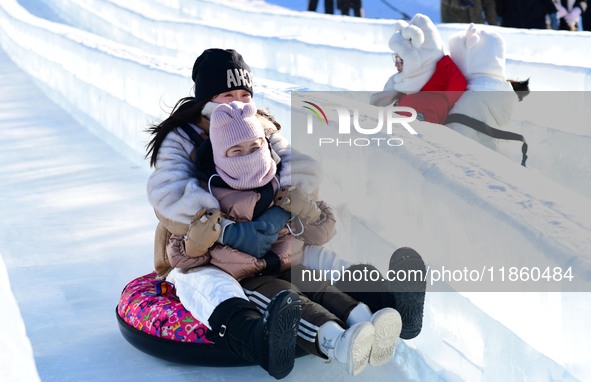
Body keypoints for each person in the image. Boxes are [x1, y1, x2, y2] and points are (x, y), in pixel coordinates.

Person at [146, 48, 421, 377]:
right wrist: (230, 228)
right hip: (205, 246)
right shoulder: (184, 135)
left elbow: (299, 166)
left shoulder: (259, 124)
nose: (237, 101)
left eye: (244, 94)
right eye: (226, 94)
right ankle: (255, 332)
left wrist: (278, 211)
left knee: (319, 260)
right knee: (210, 282)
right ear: (207, 97)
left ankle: (388, 302)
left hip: (275, 236)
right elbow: (169, 192)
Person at [370, 13, 467, 125]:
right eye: (395, 58)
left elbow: (407, 141)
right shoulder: (422, 90)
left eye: (400, 60)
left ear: (421, 61)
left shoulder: (417, 103)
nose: (396, 65)